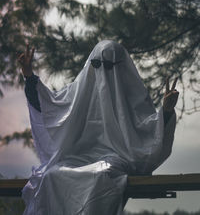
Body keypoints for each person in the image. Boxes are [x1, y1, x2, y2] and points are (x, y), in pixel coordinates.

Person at [18, 40, 179, 215]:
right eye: (96, 64)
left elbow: (149, 133)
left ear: (120, 67)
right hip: (77, 157)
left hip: (116, 157)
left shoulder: (134, 99)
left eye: (108, 65)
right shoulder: (79, 91)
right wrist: (29, 76)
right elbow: (53, 108)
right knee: (51, 175)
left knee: (101, 177)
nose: (101, 70)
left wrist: (166, 112)